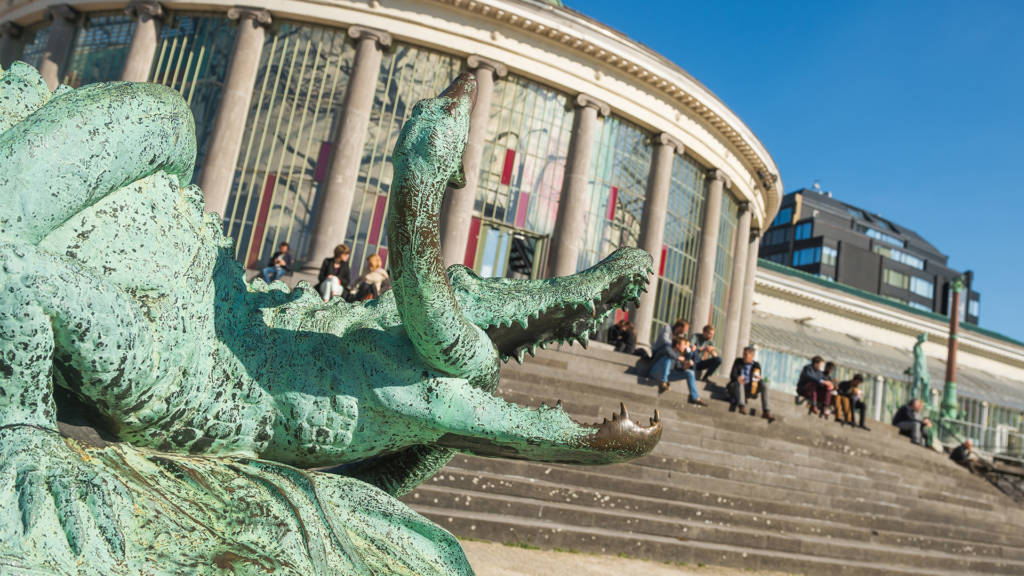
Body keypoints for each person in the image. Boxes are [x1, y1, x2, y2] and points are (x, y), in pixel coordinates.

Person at [647, 334, 706, 406]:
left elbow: (678, 368)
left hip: (668, 375)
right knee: (668, 359)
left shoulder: (678, 354)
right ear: (678, 345)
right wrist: (679, 358)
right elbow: (669, 353)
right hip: (655, 373)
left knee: (690, 373)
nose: (685, 347)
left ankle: (695, 397)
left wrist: (685, 367)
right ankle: (664, 382)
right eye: (684, 345)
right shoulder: (667, 347)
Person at [727, 346, 774, 422]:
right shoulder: (738, 361)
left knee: (764, 384)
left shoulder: (756, 365)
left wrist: (758, 378)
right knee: (740, 382)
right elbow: (732, 375)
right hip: (736, 387)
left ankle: (766, 411)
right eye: (743, 354)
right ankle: (742, 406)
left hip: (750, 388)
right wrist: (738, 377)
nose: (744, 356)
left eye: (746, 354)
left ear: (752, 356)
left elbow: (756, 379)